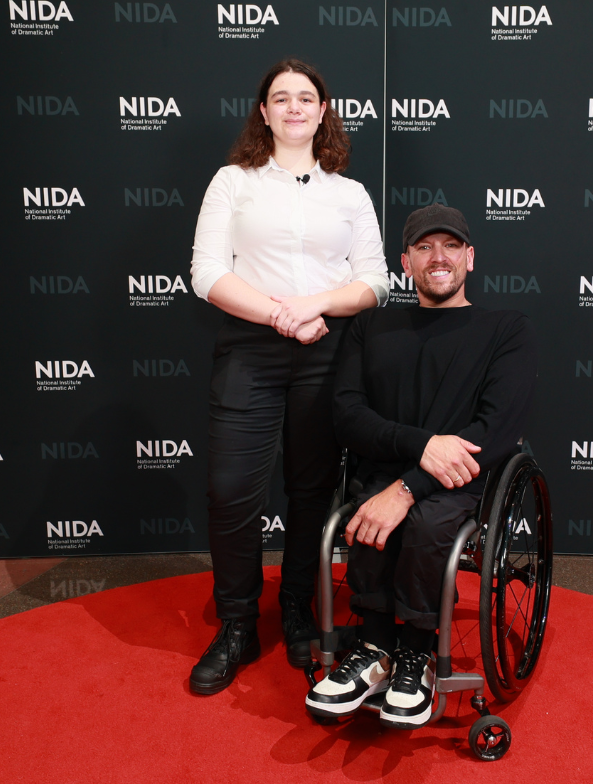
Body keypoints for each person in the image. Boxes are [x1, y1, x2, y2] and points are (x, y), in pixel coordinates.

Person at [189, 59, 389, 695]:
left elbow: (375, 281)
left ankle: (299, 606)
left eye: (306, 97)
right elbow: (207, 272)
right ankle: (238, 625)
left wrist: (313, 306)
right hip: (249, 349)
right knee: (231, 493)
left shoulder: (349, 194)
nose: (294, 107)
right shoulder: (233, 182)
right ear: (264, 112)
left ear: (323, 111)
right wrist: (281, 315)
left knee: (310, 491)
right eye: (281, 98)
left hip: (328, 351)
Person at [305, 204, 537, 729]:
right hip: (382, 471)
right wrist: (421, 445)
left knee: (427, 522)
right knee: (370, 507)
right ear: (405, 262)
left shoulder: (506, 329)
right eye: (424, 247)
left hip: (460, 485)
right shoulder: (371, 325)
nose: (439, 257)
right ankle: (374, 649)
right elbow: (347, 415)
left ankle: (415, 653)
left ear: (470, 257)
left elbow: (497, 429)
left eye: (451, 246)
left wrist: (409, 487)